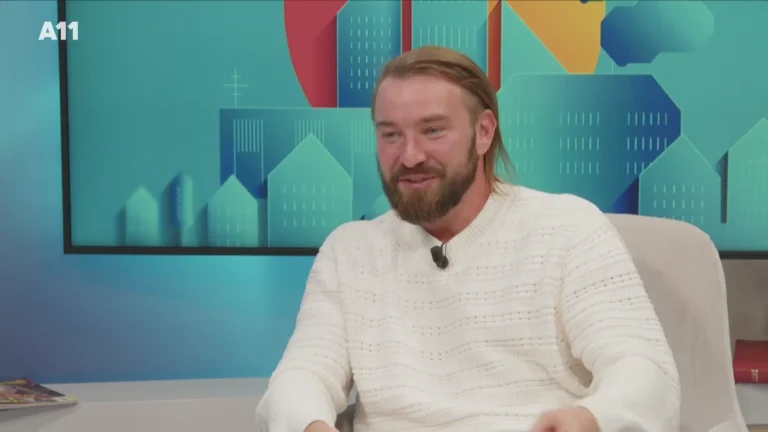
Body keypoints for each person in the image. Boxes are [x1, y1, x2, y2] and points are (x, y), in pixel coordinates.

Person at [255, 46, 681, 432]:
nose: (410, 156)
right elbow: (302, 375)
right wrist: (311, 426)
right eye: (390, 134)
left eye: (433, 131)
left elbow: (646, 373)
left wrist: (590, 419)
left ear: (483, 132)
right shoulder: (349, 250)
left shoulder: (568, 228)